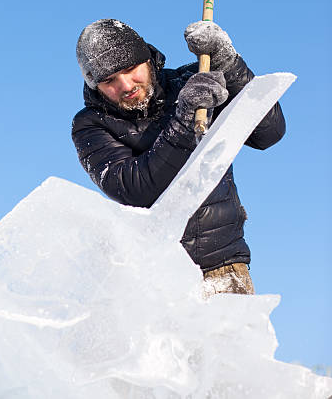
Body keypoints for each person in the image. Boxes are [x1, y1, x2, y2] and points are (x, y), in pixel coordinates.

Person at [71, 19, 286, 296]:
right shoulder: (91, 125)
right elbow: (135, 188)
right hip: (152, 281)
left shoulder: (194, 81)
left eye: (129, 69)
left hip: (222, 270)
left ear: (147, 59)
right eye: (109, 80)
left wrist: (228, 64)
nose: (125, 85)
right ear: (95, 85)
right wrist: (184, 121)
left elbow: (269, 133)